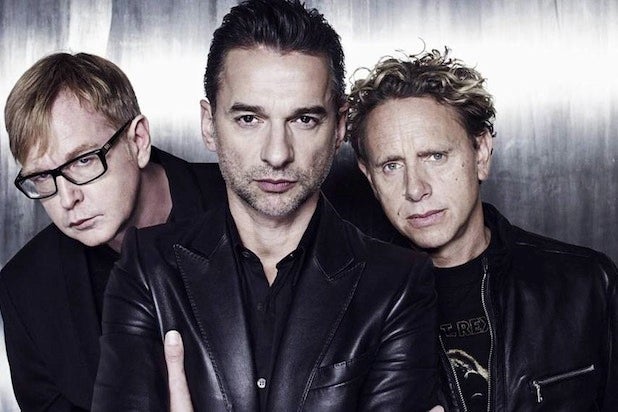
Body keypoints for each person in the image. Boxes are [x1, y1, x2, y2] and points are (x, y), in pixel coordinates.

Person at [91, 1, 439, 410]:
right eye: (249, 119)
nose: (277, 153)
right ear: (209, 124)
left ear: (340, 126)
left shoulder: (397, 283)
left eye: (304, 120)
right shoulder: (149, 268)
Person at [346, 48, 618, 411]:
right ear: (369, 177)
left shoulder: (587, 285)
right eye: (391, 165)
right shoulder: (348, 312)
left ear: (481, 153)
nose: (415, 188)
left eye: (435, 156)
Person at [0, 52, 225, 411]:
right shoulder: (26, 290)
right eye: (42, 176)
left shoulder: (245, 208)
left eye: (83, 160)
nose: (67, 199)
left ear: (138, 140)